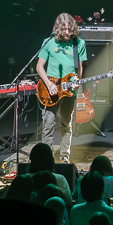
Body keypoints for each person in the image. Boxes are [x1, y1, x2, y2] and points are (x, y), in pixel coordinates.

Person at [35, 12, 87, 164]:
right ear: (57, 29)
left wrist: (78, 81)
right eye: (64, 30)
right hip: (50, 89)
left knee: (66, 123)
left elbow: (80, 69)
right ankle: (46, 159)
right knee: (48, 124)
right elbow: (39, 67)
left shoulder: (79, 44)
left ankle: (64, 157)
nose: (67, 33)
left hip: (69, 90)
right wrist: (49, 84)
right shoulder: (48, 42)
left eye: (70, 29)